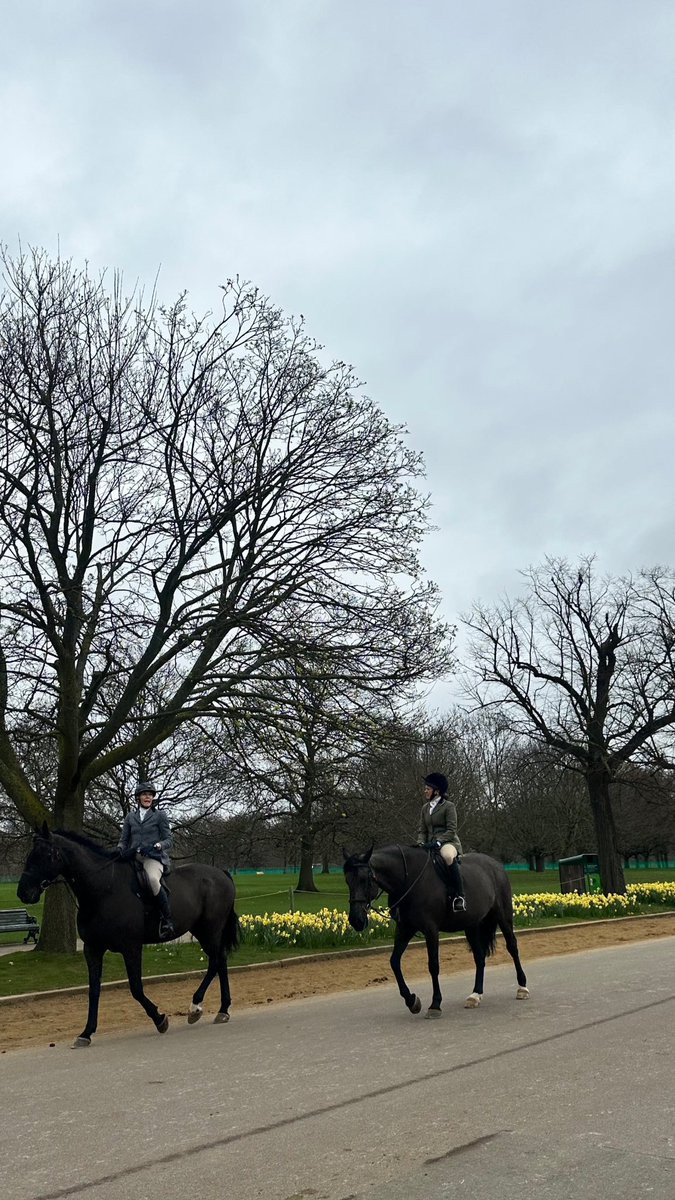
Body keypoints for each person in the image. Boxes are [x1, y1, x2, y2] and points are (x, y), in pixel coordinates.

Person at [116, 781, 175, 940]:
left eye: (150, 795)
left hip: (153, 857)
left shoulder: (160, 816)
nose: (147, 797)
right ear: (138, 798)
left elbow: (169, 840)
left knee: (153, 880)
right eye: (144, 794)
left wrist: (158, 845)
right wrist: (119, 849)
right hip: (133, 857)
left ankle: (167, 920)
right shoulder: (130, 817)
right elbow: (123, 840)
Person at [416, 771, 466, 912]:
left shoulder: (449, 806)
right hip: (429, 844)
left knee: (448, 856)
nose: (425, 791)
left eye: (428, 789)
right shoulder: (425, 808)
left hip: (448, 842)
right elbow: (422, 830)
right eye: (425, 788)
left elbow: (451, 830)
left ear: (436, 791)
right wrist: (420, 843)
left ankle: (459, 896)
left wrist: (439, 842)